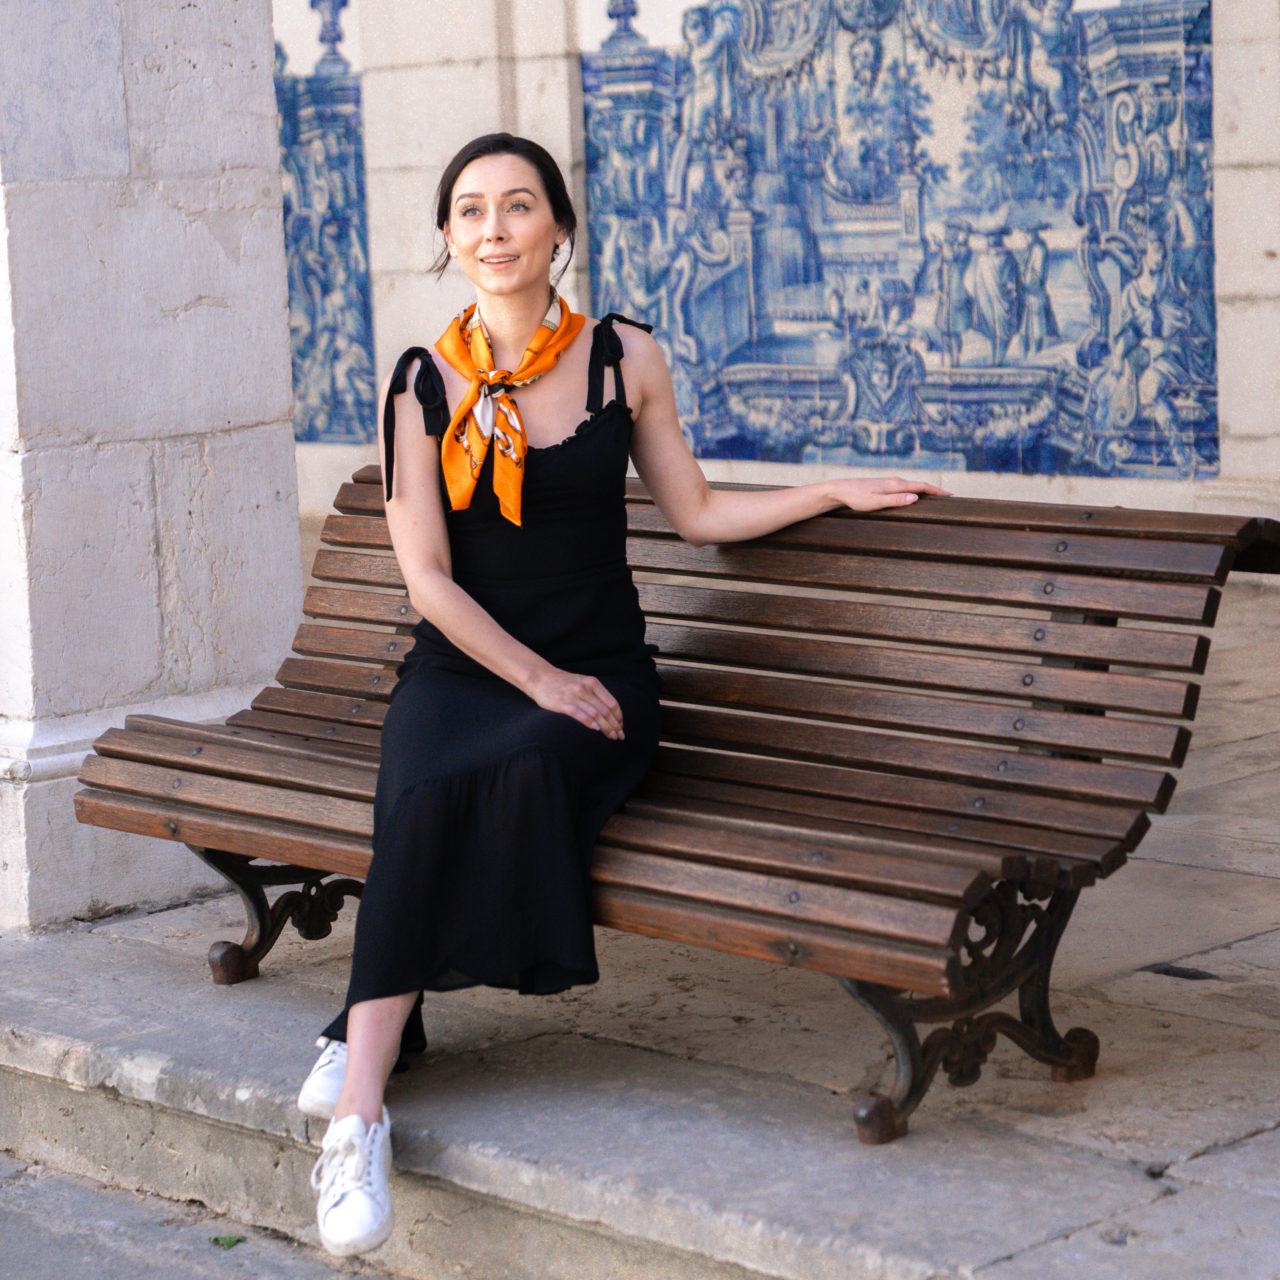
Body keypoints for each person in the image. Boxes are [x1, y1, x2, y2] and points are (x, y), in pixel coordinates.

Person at [297, 132, 947, 1259]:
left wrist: (825, 489)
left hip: (603, 673)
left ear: (558, 226)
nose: (492, 229)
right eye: (468, 212)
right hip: (469, 666)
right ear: (448, 240)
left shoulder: (622, 356)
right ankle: (360, 1113)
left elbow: (694, 511)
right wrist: (534, 677)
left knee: (515, 767)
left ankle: (355, 1044)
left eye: (515, 206)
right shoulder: (422, 380)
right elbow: (427, 584)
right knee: (435, 775)